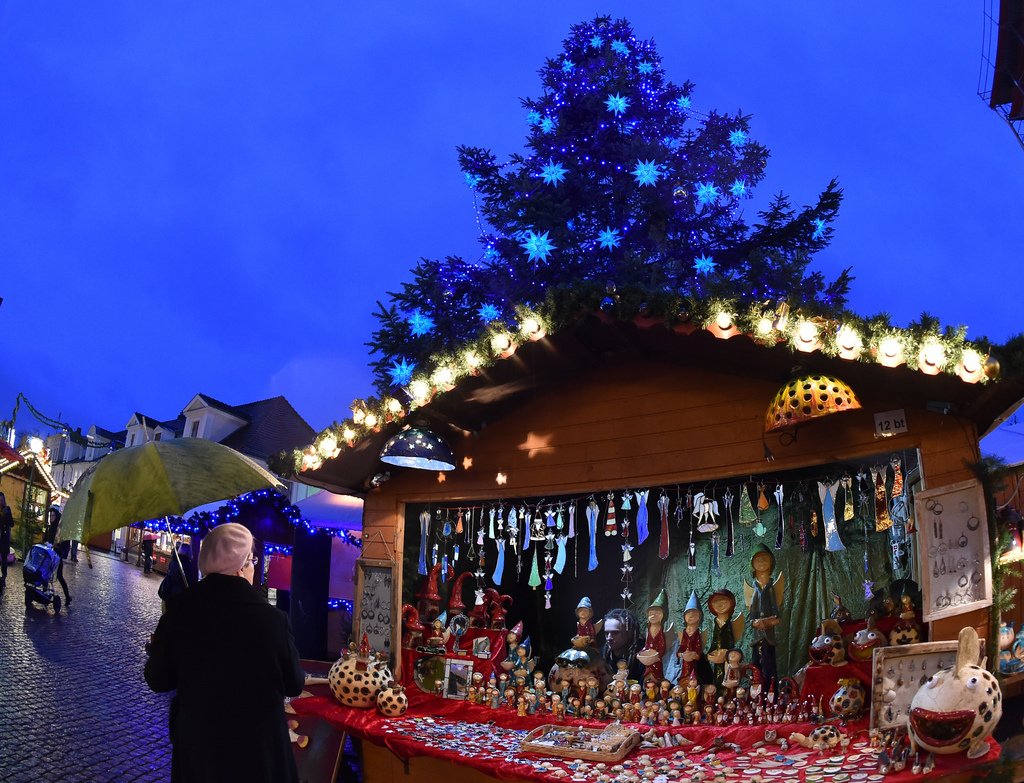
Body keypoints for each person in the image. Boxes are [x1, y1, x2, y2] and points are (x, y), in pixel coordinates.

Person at [145, 523, 304, 783]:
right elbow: (294, 683)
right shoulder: (273, 620)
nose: (254, 567)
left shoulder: (180, 610)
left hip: (200, 755)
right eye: (252, 560)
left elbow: (158, 679)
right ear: (241, 565)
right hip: (259, 757)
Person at [601, 606, 644, 682]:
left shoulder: (643, 657)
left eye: (615, 633)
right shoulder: (602, 656)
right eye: (607, 633)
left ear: (629, 633)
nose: (609, 638)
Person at [43, 506, 72, 608]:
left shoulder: (61, 530)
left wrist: (57, 547)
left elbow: (65, 544)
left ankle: (67, 596)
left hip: (57, 556)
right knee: (45, 574)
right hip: (48, 555)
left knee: (59, 576)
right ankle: (45, 594)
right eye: (51, 515)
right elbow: (45, 539)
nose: (52, 517)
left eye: (54, 515)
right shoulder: (49, 528)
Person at [0, 492, 12, 591]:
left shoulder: (7, 510)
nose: (1, 502)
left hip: (4, 538)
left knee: (4, 558)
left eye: (2, 500)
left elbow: (11, 523)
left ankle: (3, 577)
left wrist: (6, 514)